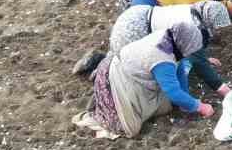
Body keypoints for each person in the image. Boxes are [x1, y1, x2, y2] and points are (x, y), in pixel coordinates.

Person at [73, 22, 215, 139]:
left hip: (137, 76)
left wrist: (187, 102)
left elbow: (180, 68)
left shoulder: (172, 38)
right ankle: (97, 115)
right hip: (115, 76)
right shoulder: (162, 57)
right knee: (128, 128)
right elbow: (173, 92)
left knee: (167, 106)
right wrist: (200, 106)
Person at [73, 0, 232, 93]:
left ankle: (99, 60)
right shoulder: (192, 25)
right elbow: (198, 62)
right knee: (124, 64)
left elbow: (193, 50)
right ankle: (99, 70)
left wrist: (204, 58)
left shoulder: (197, 9)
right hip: (135, 30)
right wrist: (222, 89)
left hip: (138, 14)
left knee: (121, 54)